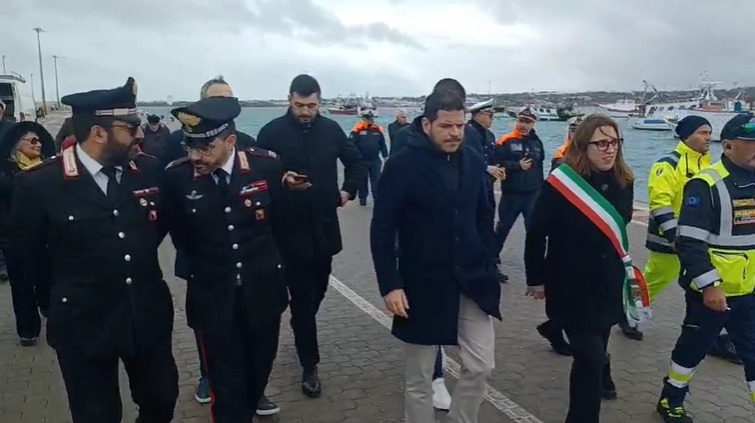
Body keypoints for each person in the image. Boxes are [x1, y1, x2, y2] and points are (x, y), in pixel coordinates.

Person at [8, 77, 178, 422]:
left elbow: (157, 229)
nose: (140, 133)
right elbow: (23, 257)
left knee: (162, 400)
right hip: (83, 324)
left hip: (146, 315)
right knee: (97, 415)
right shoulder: (41, 183)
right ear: (98, 133)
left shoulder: (148, 171)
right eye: (130, 126)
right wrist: (54, 304)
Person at [371, 89, 501, 423]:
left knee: (481, 365)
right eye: (446, 126)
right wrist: (390, 284)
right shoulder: (402, 165)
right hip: (421, 284)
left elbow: (484, 214)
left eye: (460, 125)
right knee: (420, 378)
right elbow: (382, 229)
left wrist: (487, 257)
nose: (455, 133)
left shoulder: (473, 160)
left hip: (471, 278)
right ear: (427, 124)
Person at [161, 96, 289, 422]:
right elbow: (180, 235)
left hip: (263, 293)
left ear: (230, 141)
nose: (195, 156)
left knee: (258, 372)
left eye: (206, 148)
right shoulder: (177, 177)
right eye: (190, 146)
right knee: (226, 387)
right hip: (213, 300)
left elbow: (281, 225)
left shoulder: (265, 167)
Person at [255, 74, 366, 398]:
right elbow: (256, 177)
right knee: (303, 301)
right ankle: (310, 365)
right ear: (289, 99)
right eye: (300, 105)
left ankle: (301, 324)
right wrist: (282, 180)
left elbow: (356, 162)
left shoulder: (331, 130)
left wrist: (347, 191)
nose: (305, 111)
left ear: (320, 102)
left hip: (324, 228)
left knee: (317, 291)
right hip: (287, 231)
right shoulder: (271, 132)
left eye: (312, 106)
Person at [525, 114, 634, 423]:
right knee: (590, 359)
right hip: (570, 285)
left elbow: (621, 226)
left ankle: (566, 340)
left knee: (594, 356)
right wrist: (536, 278)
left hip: (607, 285)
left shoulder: (624, 181)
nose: (609, 149)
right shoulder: (562, 183)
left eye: (614, 142)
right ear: (583, 146)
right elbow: (537, 232)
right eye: (601, 143)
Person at [656, 113, 755, 423]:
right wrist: (710, 286)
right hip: (712, 294)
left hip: (749, 290)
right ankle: (671, 399)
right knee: (693, 348)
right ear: (728, 146)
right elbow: (690, 242)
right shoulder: (705, 184)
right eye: (751, 142)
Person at [629, 117, 716, 344]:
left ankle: (710, 329)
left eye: (709, 133)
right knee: (653, 281)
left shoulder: (709, 166)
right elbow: (660, 202)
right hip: (670, 240)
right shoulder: (667, 165)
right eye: (703, 132)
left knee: (709, 283)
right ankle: (629, 314)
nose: (708, 137)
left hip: (700, 240)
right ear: (686, 136)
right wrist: (674, 235)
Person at [0, 121, 56, 343]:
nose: (38, 144)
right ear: (17, 144)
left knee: (47, 278)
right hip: (15, 239)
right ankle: (28, 329)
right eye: (32, 141)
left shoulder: (49, 169)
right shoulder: (6, 173)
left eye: (39, 141)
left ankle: (49, 309)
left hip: (46, 238)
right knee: (21, 285)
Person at [491, 108, 545, 276]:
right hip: (512, 194)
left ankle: (536, 265)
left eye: (527, 122)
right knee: (503, 228)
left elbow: (539, 167)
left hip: (532, 195)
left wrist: (542, 190)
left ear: (533, 124)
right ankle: (491, 260)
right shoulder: (506, 141)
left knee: (534, 230)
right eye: (521, 121)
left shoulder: (537, 142)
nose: (523, 125)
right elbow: (496, 163)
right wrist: (517, 166)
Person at [350, 109, 388, 205]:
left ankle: (377, 199)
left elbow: (382, 144)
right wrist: (354, 158)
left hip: (375, 160)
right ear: (363, 119)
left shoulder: (377, 129)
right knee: (362, 181)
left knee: (376, 180)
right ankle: (362, 199)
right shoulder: (357, 129)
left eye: (371, 118)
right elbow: (351, 145)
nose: (371, 120)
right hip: (362, 160)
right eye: (368, 118)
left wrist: (385, 156)